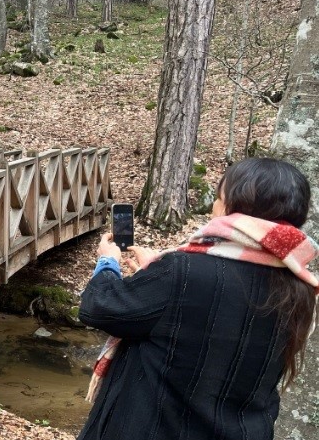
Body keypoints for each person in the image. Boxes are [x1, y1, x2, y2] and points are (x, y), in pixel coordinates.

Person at [78, 157, 318, 440]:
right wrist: (157, 272)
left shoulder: (182, 271)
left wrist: (107, 264)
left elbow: (99, 307)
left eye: (218, 199)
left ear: (232, 209)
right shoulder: (302, 291)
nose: (213, 208)